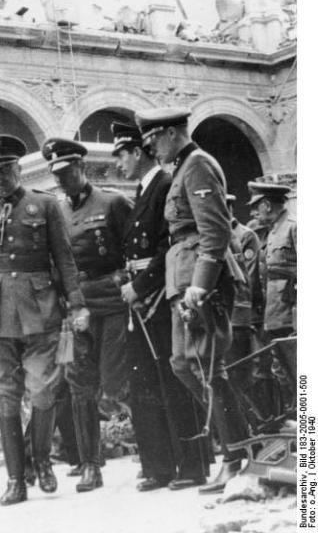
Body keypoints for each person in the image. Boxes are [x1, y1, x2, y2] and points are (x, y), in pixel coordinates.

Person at [0, 134, 88, 506]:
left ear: (18, 169)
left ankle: (43, 461)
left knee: (45, 391)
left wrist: (76, 304)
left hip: (41, 309)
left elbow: (64, 259)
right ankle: (16, 480)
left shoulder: (43, 206)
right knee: (7, 399)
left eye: (5, 169)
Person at [135, 107, 249, 494]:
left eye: (153, 141)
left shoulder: (197, 165)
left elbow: (214, 230)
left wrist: (200, 285)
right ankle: (238, 439)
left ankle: (237, 456)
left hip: (199, 282)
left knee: (204, 366)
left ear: (169, 133)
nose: (152, 150)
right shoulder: (184, 168)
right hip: (181, 279)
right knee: (186, 363)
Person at [112, 121, 208, 491]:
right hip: (141, 297)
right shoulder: (144, 191)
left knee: (172, 380)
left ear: (139, 151)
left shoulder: (165, 186)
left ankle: (191, 465)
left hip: (157, 295)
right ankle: (161, 466)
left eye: (121, 154)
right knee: (146, 382)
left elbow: (168, 245)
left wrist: (140, 285)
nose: (117, 162)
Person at [41, 137, 132, 492]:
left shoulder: (112, 202)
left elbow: (134, 250)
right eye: (56, 175)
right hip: (76, 309)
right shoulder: (56, 212)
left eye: (66, 172)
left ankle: (153, 448)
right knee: (80, 387)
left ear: (81, 167)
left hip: (112, 304)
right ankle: (91, 465)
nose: (62, 180)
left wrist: (125, 282)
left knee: (115, 385)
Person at [247, 181, 296, 411]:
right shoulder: (272, 232)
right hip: (276, 316)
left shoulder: (294, 227)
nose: (253, 212)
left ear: (267, 205)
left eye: (256, 206)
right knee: (285, 372)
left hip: (292, 317)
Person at [225, 193, 264, 409]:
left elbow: (249, 278)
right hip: (228, 316)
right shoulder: (218, 234)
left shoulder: (244, 236)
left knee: (244, 372)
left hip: (240, 314)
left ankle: (257, 420)